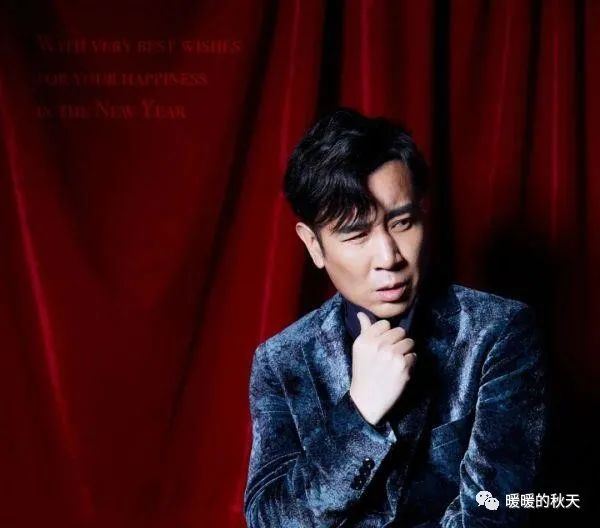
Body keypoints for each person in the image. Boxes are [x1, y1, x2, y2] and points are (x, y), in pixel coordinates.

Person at [243, 107, 548, 527]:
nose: (389, 257)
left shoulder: (497, 332)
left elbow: (495, 510)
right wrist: (359, 412)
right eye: (357, 234)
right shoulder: (281, 361)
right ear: (314, 245)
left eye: (402, 223)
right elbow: (269, 519)